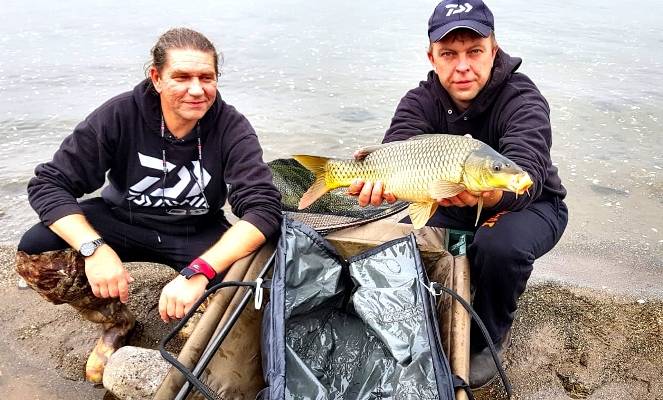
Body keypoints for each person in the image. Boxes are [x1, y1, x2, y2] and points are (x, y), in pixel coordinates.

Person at [15, 27, 282, 383]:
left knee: (252, 285)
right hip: (121, 218)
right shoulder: (120, 114)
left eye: (207, 77)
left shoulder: (231, 126)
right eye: (182, 77)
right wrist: (93, 248)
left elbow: (263, 209)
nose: (196, 89)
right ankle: (116, 321)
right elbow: (50, 183)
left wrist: (198, 271)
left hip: (196, 228)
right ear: (156, 77)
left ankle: (197, 317)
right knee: (37, 252)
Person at [348, 0, 568, 389]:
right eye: (449, 54)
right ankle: (430, 308)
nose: (462, 66)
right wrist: (378, 185)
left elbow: (527, 170)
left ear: (493, 51)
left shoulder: (523, 99)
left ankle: (490, 337)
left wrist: (494, 201)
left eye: (474, 52)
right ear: (432, 56)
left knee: (500, 246)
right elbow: (394, 149)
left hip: (528, 203)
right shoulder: (420, 101)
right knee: (399, 239)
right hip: (446, 199)